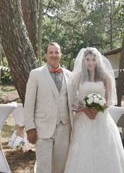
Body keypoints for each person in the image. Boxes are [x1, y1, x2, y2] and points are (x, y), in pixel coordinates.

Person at [63, 47, 124, 173]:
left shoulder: (105, 77)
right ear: (83, 61)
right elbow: (72, 100)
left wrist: (97, 109)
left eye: (93, 59)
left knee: (103, 149)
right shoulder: (77, 77)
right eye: (87, 59)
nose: (90, 62)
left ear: (98, 60)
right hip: (83, 119)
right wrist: (84, 110)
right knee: (83, 149)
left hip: (101, 119)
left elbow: (109, 100)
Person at [25, 42, 74, 173]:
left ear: (61, 55)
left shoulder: (70, 75)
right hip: (42, 128)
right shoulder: (36, 74)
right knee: (43, 167)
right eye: (51, 52)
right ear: (46, 55)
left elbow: (74, 101)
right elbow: (29, 103)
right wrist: (30, 127)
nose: (54, 55)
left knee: (60, 167)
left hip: (64, 127)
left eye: (56, 52)